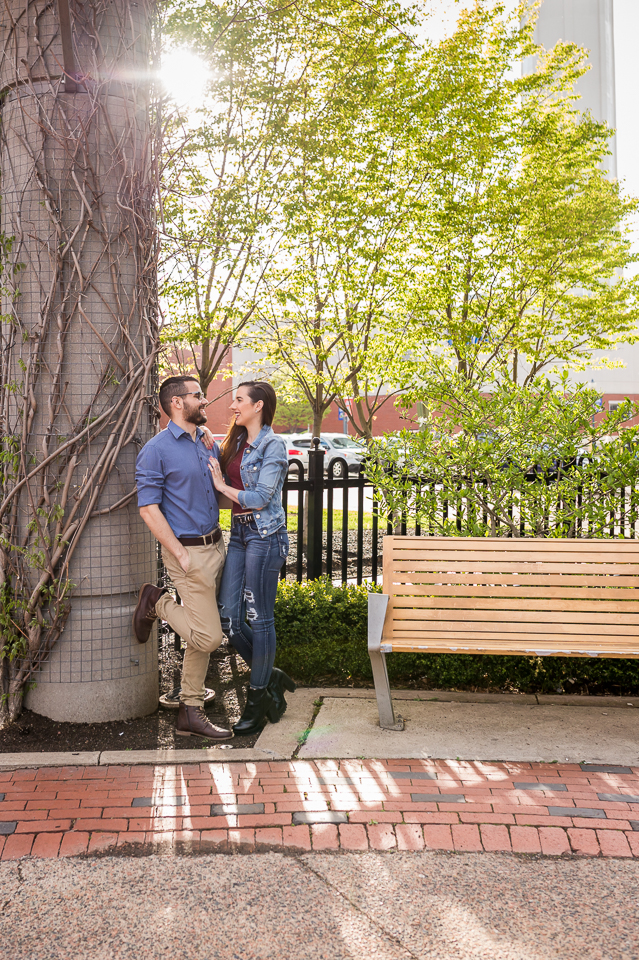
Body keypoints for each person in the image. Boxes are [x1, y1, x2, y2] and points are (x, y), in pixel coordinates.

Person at [132, 375, 232, 741]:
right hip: (187, 552)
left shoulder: (206, 443)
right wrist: (178, 553)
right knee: (208, 637)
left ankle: (190, 711)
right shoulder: (156, 450)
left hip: (216, 545)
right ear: (176, 403)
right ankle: (157, 602)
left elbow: (214, 494)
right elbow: (148, 509)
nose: (204, 400)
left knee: (199, 630)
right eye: (197, 396)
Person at [208, 381, 296, 735]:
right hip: (241, 536)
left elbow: (260, 497)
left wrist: (223, 489)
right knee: (229, 618)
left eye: (239, 400)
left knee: (260, 619)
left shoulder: (273, 445)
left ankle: (258, 697)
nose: (233, 406)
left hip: (264, 536)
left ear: (258, 406)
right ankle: (270, 675)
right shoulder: (239, 442)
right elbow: (221, 465)